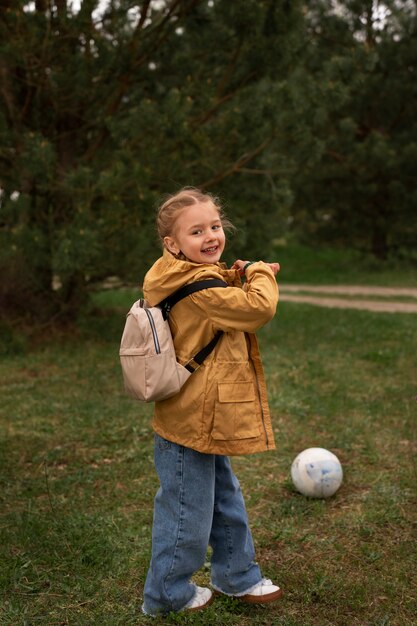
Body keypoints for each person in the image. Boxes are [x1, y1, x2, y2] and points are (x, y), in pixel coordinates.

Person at [141, 187, 281, 617]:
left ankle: (236, 575)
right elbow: (257, 309)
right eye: (196, 231)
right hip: (192, 420)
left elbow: (220, 300)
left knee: (224, 499)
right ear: (172, 244)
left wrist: (237, 275)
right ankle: (166, 595)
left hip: (205, 416)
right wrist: (259, 275)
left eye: (215, 226)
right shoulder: (198, 287)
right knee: (186, 511)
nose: (210, 236)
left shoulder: (192, 276)